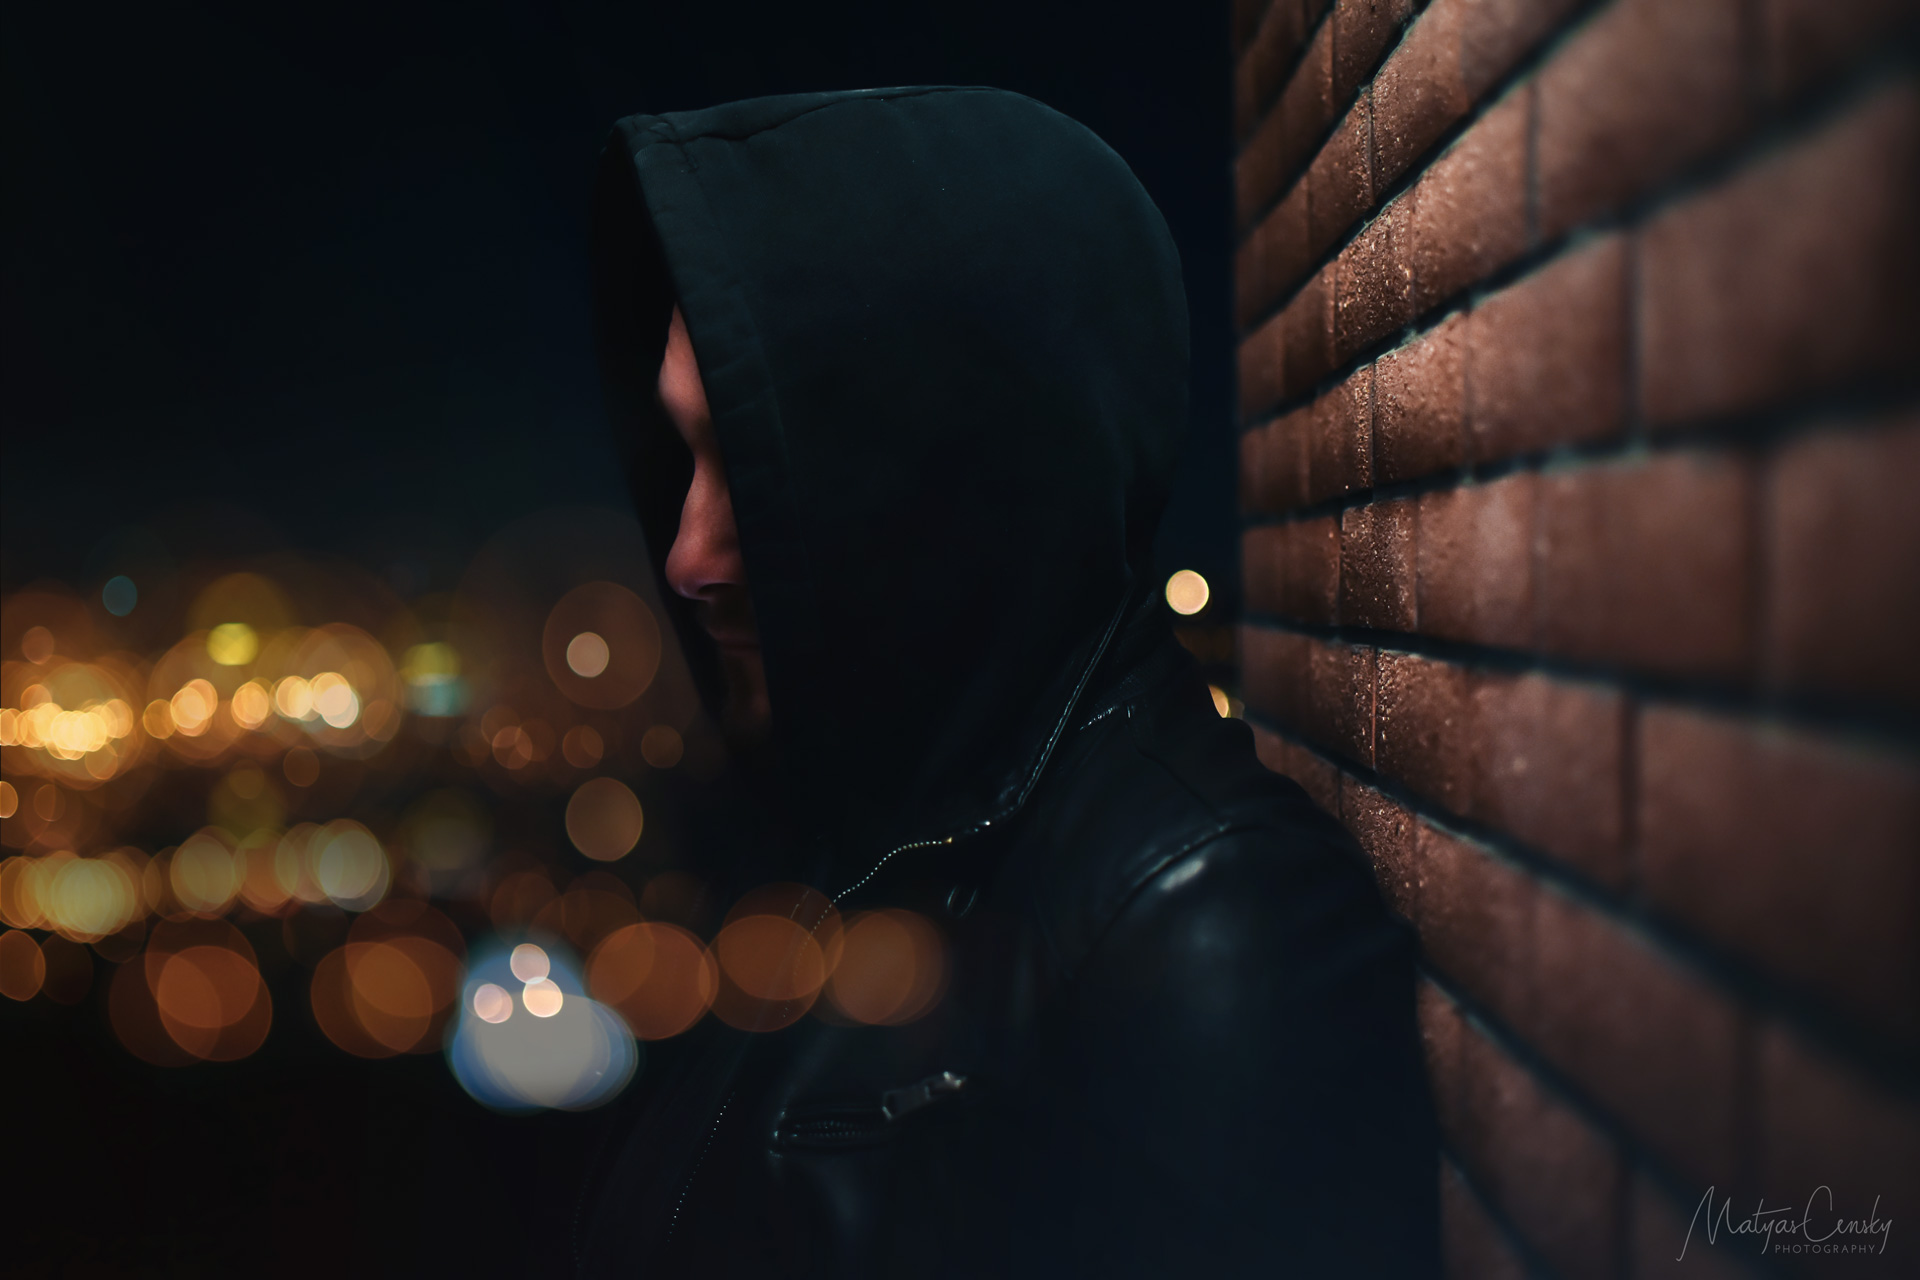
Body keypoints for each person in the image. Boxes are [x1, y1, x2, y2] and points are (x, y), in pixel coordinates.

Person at [576, 85, 1438, 1277]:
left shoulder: (1212, 929)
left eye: (761, 468)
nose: (688, 554)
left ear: (956, 467)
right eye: (687, 459)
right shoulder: (863, 820)